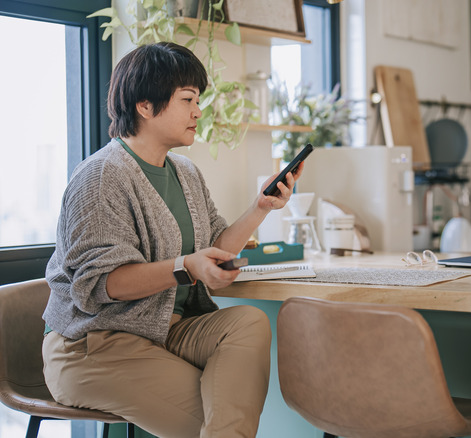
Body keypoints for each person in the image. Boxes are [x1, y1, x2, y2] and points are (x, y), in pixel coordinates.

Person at [41, 41, 302, 437]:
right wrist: (185, 268)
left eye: (198, 100)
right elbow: (99, 284)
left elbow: (216, 244)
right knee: (220, 425)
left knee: (248, 322)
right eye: (187, 99)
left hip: (166, 332)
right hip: (94, 346)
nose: (198, 111)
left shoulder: (185, 172)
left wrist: (261, 207)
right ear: (145, 106)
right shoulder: (100, 177)